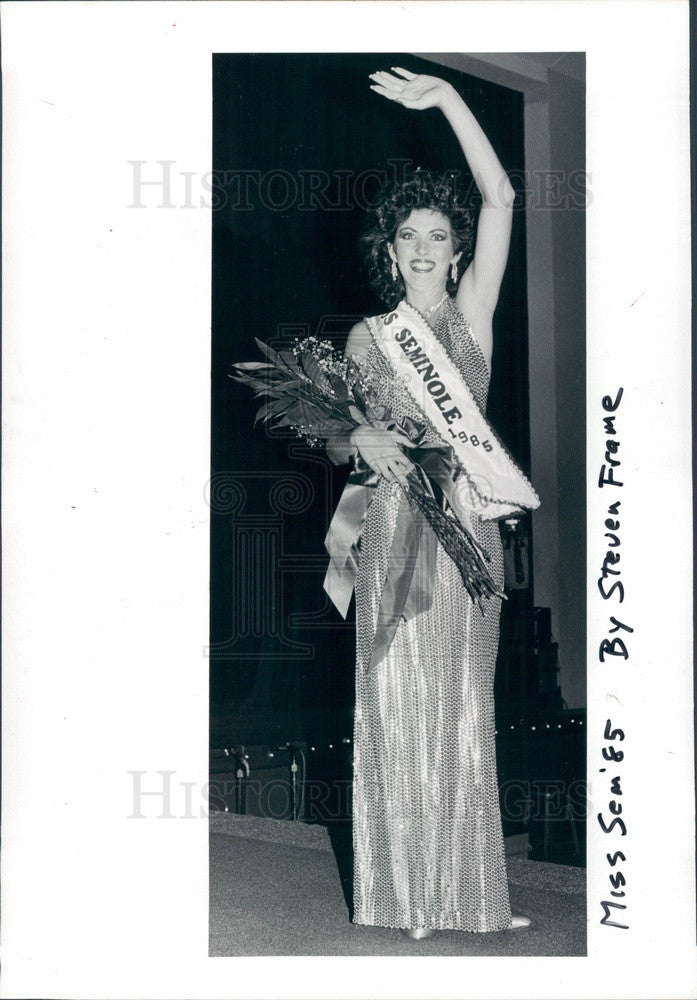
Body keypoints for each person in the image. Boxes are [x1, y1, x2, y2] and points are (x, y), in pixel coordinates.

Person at [325, 68, 534, 938]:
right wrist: (357, 442)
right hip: (390, 527)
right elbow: (340, 435)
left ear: (456, 252)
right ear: (390, 249)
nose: (421, 247)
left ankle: (469, 891)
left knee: (460, 701)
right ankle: (404, 895)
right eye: (407, 234)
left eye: (437, 235)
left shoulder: (472, 315)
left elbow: (500, 194)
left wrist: (448, 101)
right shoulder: (366, 338)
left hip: (464, 526)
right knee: (394, 695)